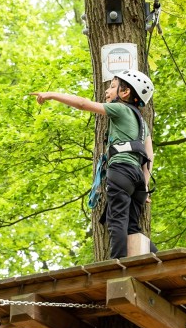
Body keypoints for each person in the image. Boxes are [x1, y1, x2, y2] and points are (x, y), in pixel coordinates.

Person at [31, 69, 157, 259]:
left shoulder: (120, 108)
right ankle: (156, 257)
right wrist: (144, 185)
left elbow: (83, 104)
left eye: (112, 87)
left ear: (125, 93)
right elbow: (150, 155)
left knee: (117, 221)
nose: (107, 91)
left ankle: (118, 267)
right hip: (137, 178)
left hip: (121, 171)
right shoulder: (142, 123)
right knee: (132, 226)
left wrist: (51, 95)